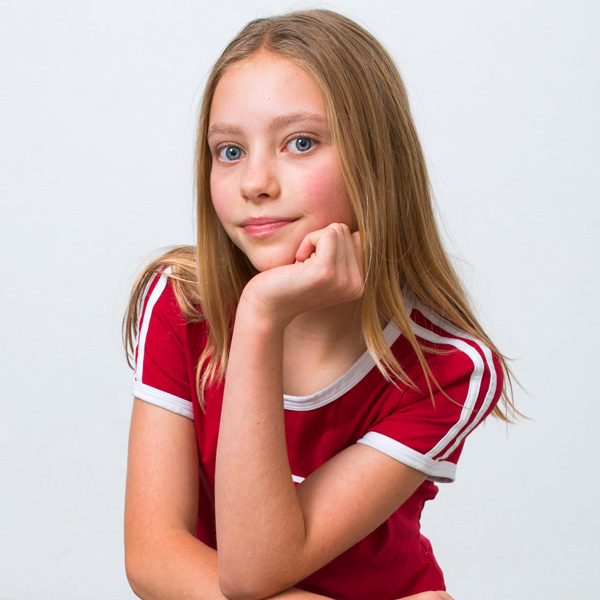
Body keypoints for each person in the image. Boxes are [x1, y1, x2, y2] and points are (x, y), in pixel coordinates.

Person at [123, 9, 517, 600]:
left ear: (375, 160)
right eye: (229, 151)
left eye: (300, 143)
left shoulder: (448, 366)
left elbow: (253, 573)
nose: (255, 182)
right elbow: (153, 555)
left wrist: (259, 317)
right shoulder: (181, 304)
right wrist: (260, 314)